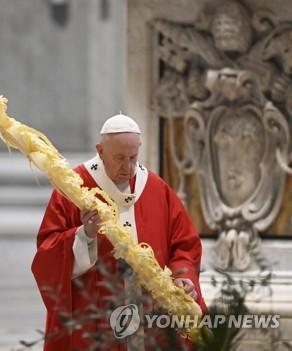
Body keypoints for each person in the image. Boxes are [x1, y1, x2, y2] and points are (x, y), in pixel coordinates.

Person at [31, 113, 207, 351]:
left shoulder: (155, 188)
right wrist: (85, 235)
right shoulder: (73, 187)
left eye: (133, 158)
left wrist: (183, 277)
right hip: (96, 318)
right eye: (119, 158)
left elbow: (184, 245)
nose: (128, 168)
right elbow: (47, 254)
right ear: (100, 150)